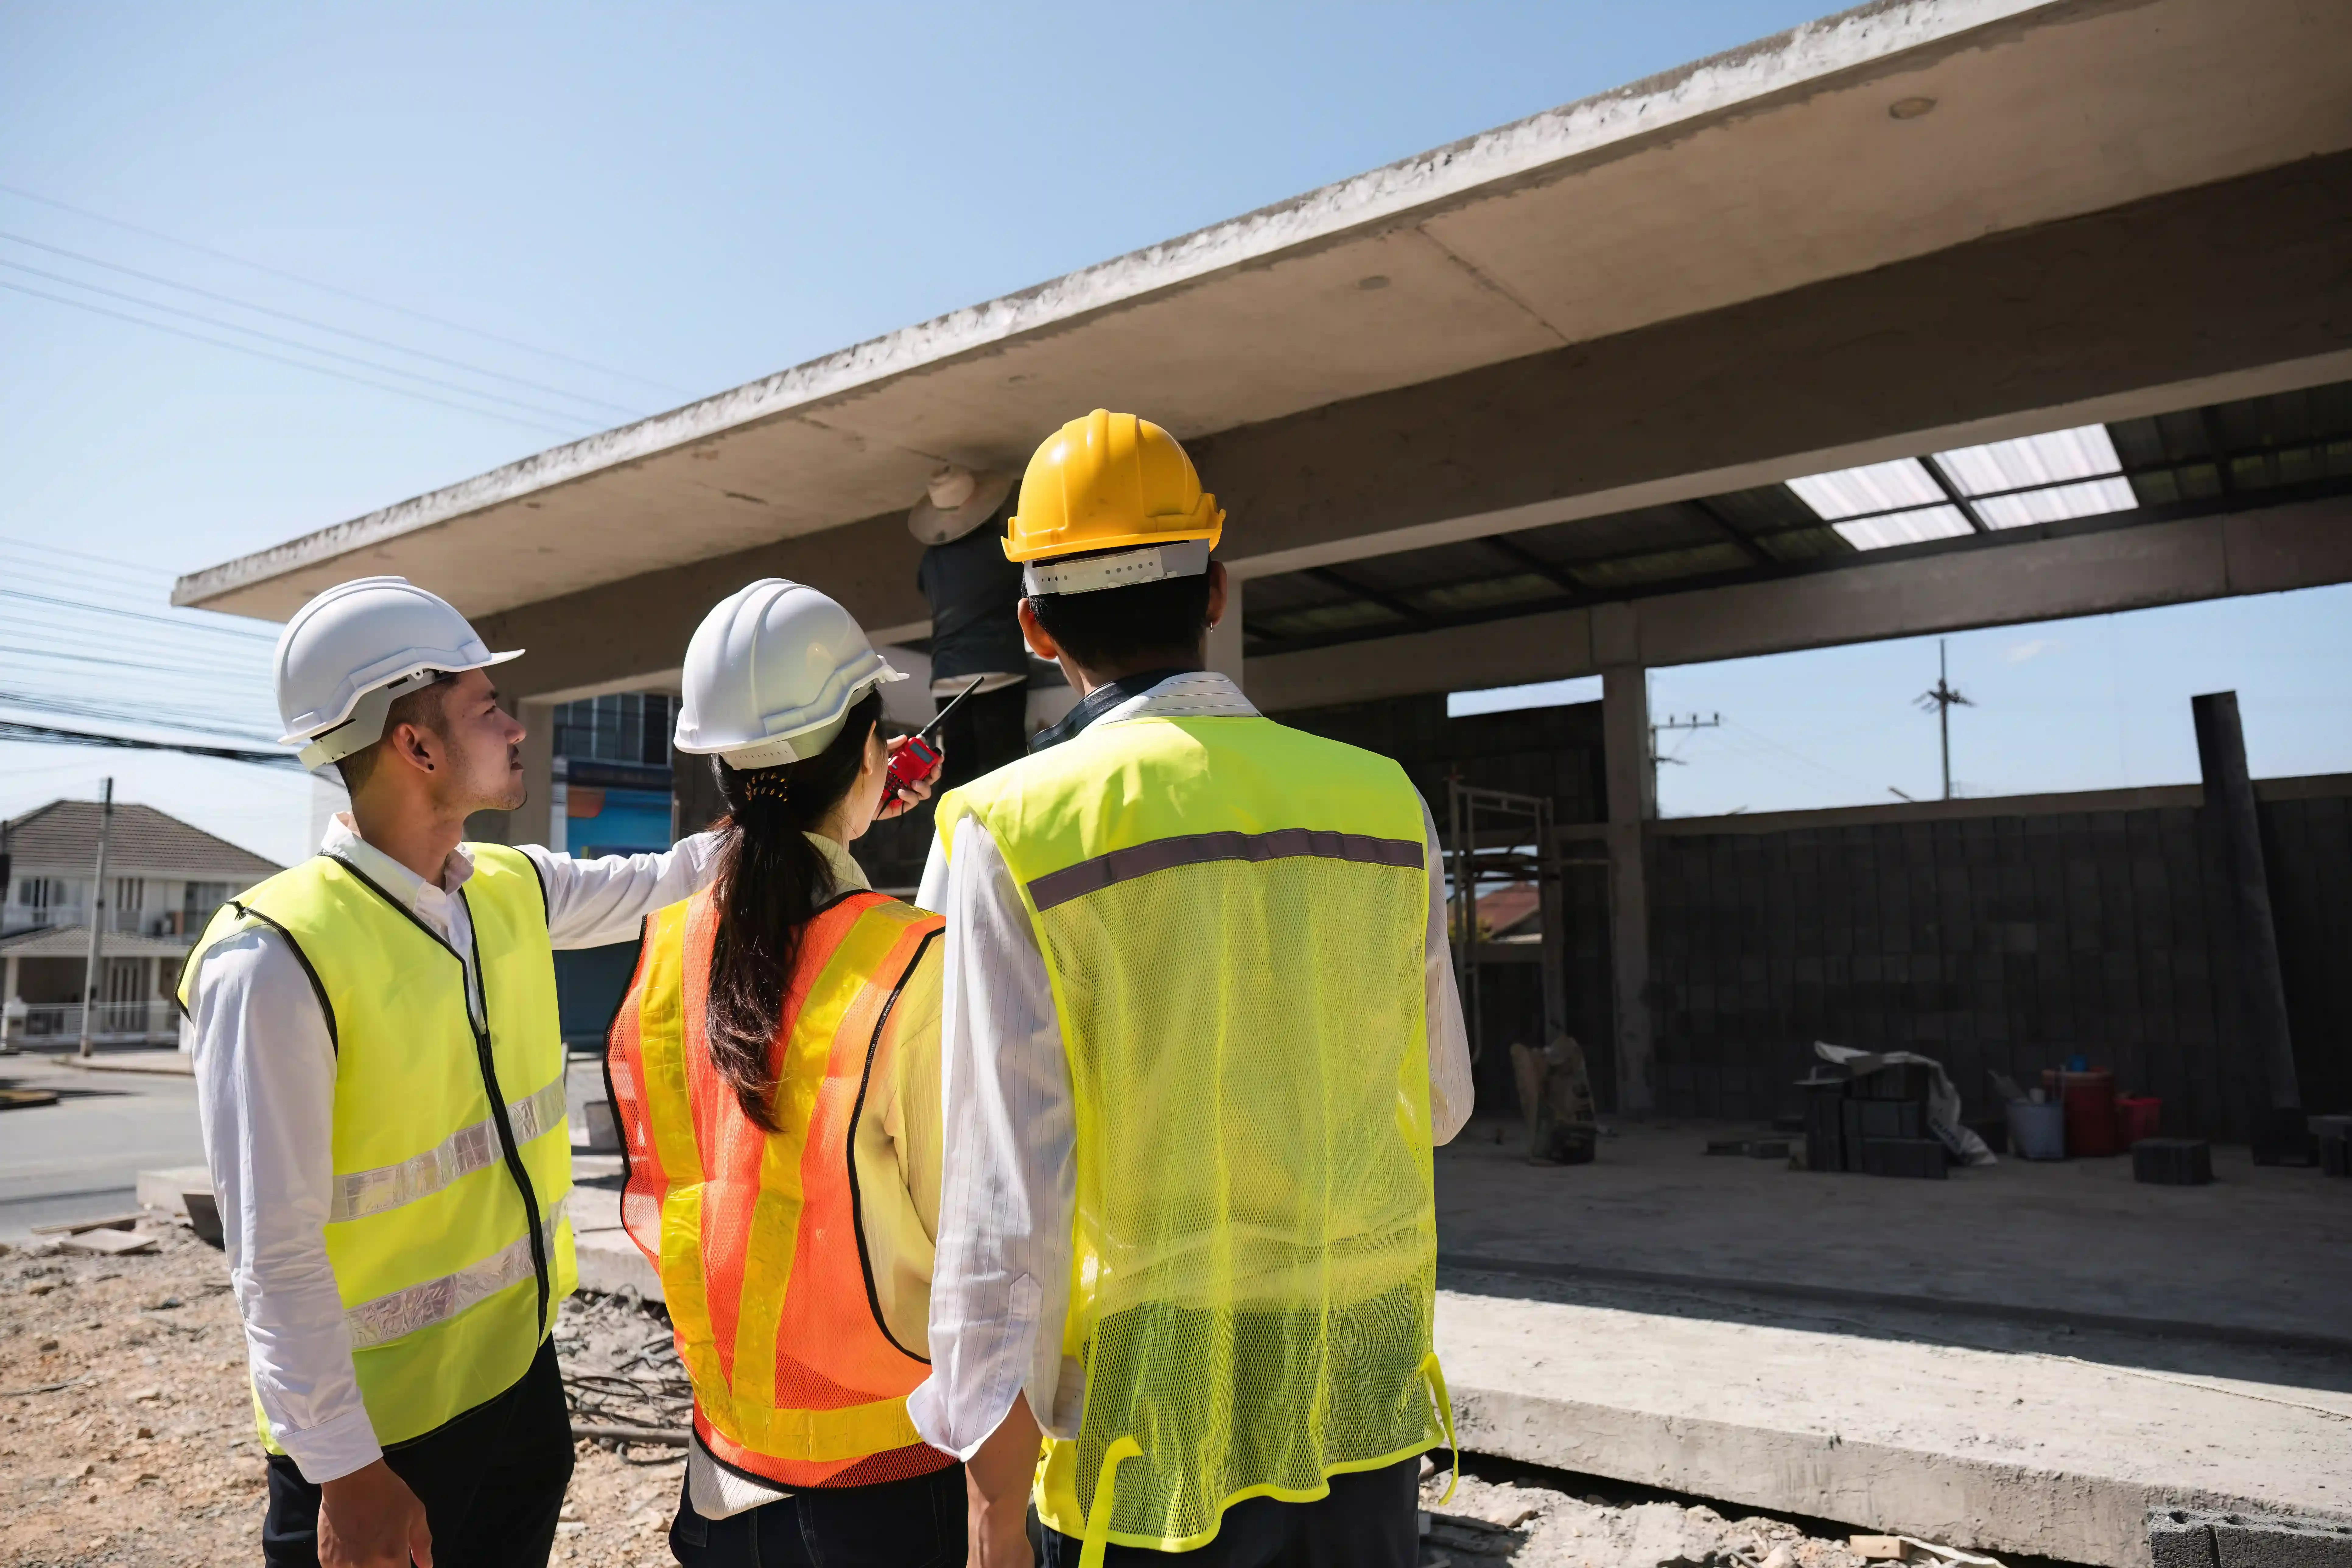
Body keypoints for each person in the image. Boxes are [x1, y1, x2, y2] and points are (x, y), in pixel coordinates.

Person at [909, 411, 1476, 1568]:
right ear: (1215, 590)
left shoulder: (1012, 830)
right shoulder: (1383, 802)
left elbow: (1005, 1199)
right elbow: (1442, 1104)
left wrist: (990, 1504)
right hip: (1356, 1389)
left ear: (1032, 626)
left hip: (1149, 1416)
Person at [179, 575, 732, 1568]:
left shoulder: (507, 887)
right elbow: (274, 1254)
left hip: (517, 1387)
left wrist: (821, 789)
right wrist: (346, 1472)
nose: (515, 728)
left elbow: (675, 876)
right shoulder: (272, 960)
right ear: (417, 745)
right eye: (487, 708)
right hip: (379, 1445)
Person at [606, 578, 961, 1568]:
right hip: (888, 1478)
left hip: (723, 1468)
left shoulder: (670, 949)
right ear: (870, 754)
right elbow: (976, 1244)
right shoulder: (914, 962)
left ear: (723, 768)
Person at [910, 465, 1034, 791]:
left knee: (959, 770)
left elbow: (925, 589)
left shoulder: (931, 560)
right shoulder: (1001, 546)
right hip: (1000, 668)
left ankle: (959, 824)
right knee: (1005, 768)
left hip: (948, 676)